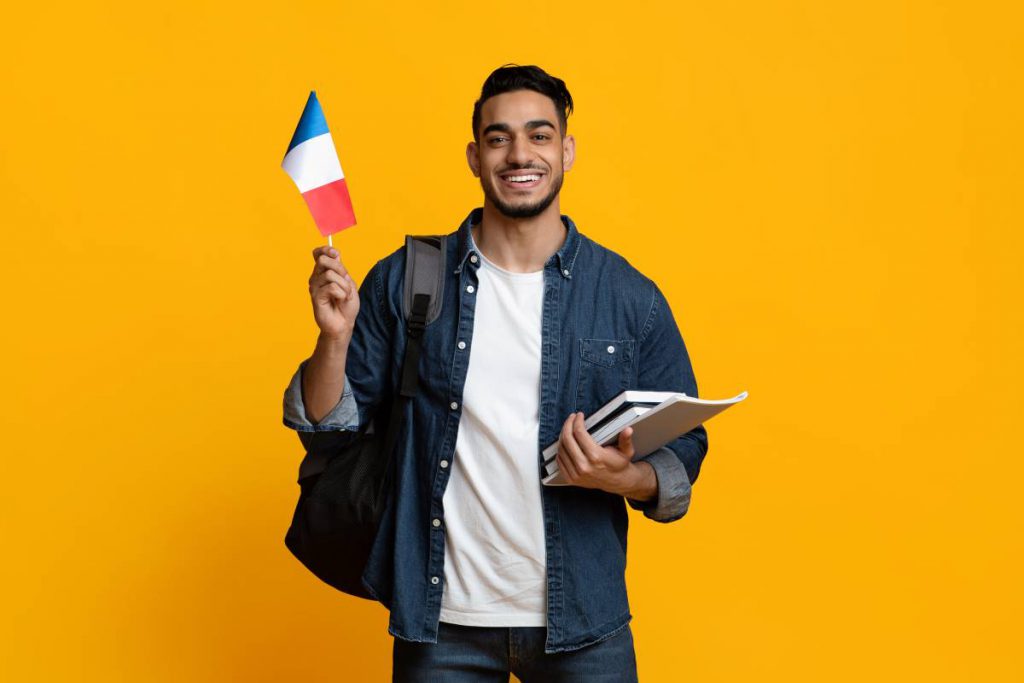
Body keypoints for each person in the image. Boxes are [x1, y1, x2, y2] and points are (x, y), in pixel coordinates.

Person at [282, 64, 709, 682]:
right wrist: (334, 337)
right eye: (498, 137)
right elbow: (327, 426)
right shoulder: (409, 277)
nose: (519, 154)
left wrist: (628, 478)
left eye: (538, 135)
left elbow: (685, 446)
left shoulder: (627, 296)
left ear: (566, 150)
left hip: (585, 620)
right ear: (474, 156)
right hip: (443, 623)